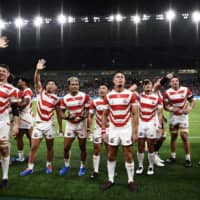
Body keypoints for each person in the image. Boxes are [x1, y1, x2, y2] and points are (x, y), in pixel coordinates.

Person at [20, 59, 61, 176]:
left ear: (56, 88)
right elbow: (36, 80)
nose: (50, 85)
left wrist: (61, 128)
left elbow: (58, 114)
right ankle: (30, 167)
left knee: (50, 147)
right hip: (38, 124)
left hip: (50, 125)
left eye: (52, 84)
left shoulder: (57, 99)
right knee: (33, 147)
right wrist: (38, 70)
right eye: (48, 83)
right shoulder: (41, 92)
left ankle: (49, 164)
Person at [101, 71, 138, 192]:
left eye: (122, 77)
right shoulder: (108, 96)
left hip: (126, 129)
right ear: (114, 81)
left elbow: (135, 114)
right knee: (111, 154)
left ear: (125, 81)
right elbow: (104, 115)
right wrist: (103, 131)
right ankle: (111, 179)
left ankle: (130, 180)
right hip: (112, 129)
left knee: (128, 154)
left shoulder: (130, 95)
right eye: (117, 77)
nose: (120, 79)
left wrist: (135, 132)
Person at [59, 77, 90, 177]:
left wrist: (80, 118)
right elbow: (62, 114)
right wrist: (68, 117)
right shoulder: (64, 99)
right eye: (72, 84)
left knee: (82, 147)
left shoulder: (84, 96)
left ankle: (82, 166)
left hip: (81, 125)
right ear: (69, 86)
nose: (75, 86)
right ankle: (67, 165)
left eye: (76, 84)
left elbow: (87, 111)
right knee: (66, 147)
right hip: (70, 125)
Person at [163, 76, 195, 167]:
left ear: (179, 82)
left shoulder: (186, 90)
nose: (175, 82)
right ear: (170, 83)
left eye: (176, 81)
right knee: (173, 136)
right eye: (173, 81)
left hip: (183, 117)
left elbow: (192, 101)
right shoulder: (167, 92)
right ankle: (173, 156)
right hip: (173, 117)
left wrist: (189, 108)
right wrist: (172, 109)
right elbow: (166, 106)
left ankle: (188, 159)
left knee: (184, 136)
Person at [136, 79, 163, 175]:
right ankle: (140, 165)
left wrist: (159, 126)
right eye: (145, 84)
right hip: (141, 124)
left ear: (152, 85)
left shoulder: (157, 98)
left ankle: (151, 166)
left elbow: (160, 113)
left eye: (149, 84)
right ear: (143, 86)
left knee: (151, 146)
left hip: (151, 124)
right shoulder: (139, 96)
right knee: (140, 146)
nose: (147, 85)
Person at [0, 64, 19, 189]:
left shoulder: (12, 89)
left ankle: (5, 177)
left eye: (3, 71)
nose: (1, 72)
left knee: (4, 148)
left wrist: (16, 125)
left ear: (8, 74)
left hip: (3, 120)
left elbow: (15, 109)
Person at [88, 84, 109, 179]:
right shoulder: (94, 102)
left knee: (110, 151)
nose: (102, 90)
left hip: (110, 129)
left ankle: (111, 170)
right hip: (98, 129)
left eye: (104, 88)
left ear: (108, 90)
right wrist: (89, 129)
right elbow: (90, 116)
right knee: (96, 150)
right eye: (100, 88)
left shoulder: (111, 101)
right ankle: (95, 170)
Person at [12, 78, 34, 162]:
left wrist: (17, 107)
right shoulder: (22, 91)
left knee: (28, 137)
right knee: (21, 137)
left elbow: (26, 101)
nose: (18, 83)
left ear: (24, 82)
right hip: (25, 116)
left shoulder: (27, 90)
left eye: (19, 81)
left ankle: (26, 157)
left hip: (26, 116)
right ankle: (23, 157)